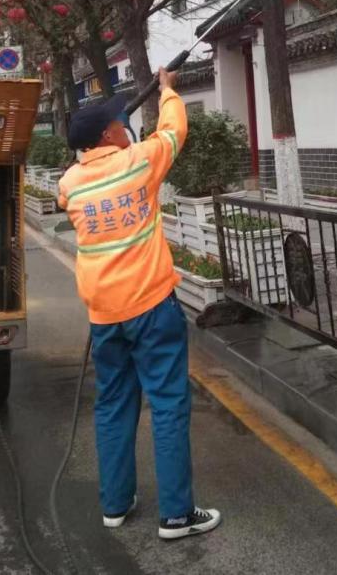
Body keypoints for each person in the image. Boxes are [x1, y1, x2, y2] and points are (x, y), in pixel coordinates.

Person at [57, 66, 222, 541]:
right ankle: (175, 515)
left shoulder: (70, 185)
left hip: (104, 314)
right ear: (110, 133)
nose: (124, 126)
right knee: (168, 404)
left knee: (112, 405)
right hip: (151, 305)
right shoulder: (140, 164)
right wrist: (168, 89)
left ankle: (115, 504)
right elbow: (174, 129)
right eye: (118, 123)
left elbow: (89, 168)